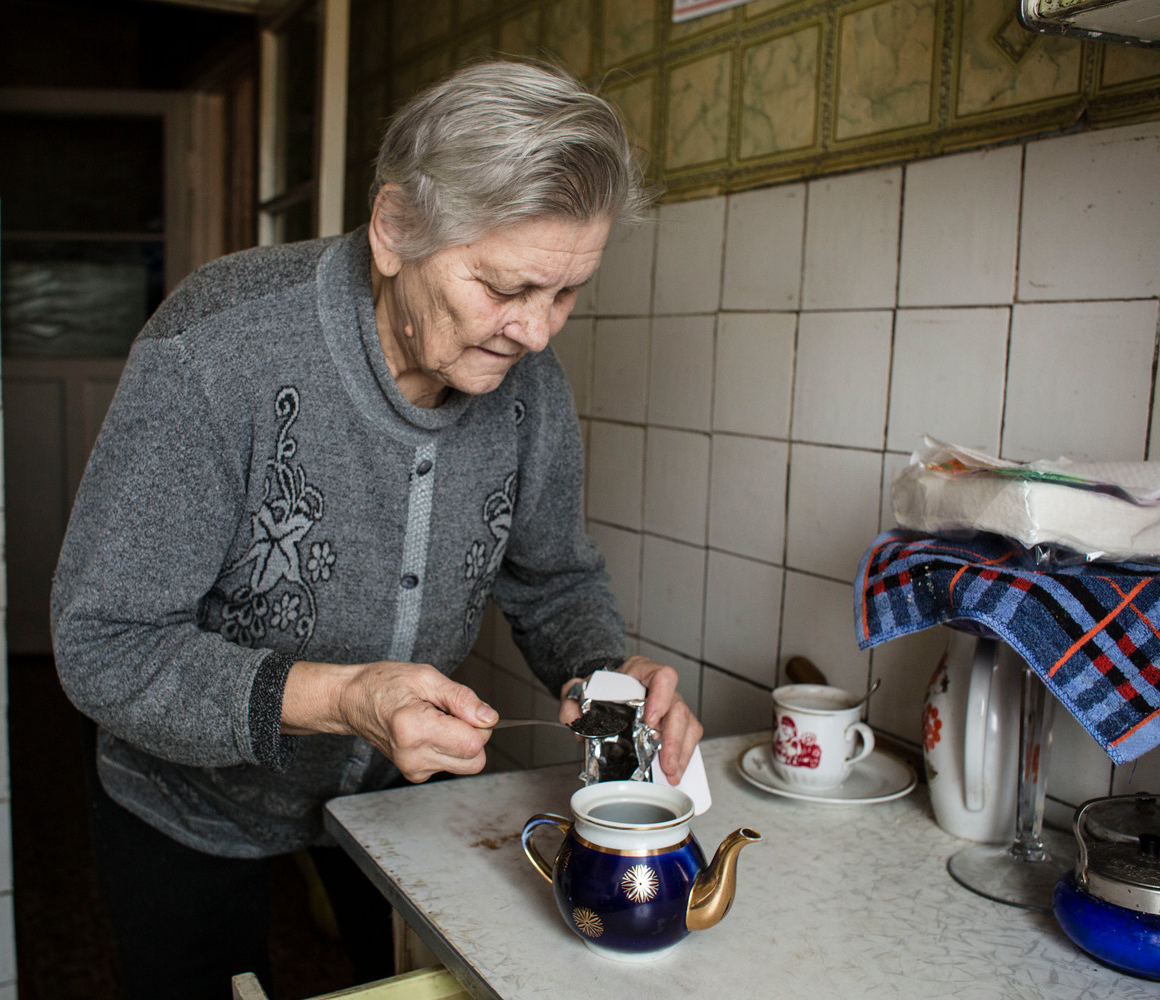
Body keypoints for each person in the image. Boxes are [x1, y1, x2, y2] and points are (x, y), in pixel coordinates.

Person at [50, 59, 705, 1000]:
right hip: (184, 801)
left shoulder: (524, 384)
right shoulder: (216, 347)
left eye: (565, 294)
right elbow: (103, 647)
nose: (536, 333)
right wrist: (344, 697)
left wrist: (607, 676)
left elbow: (552, 577)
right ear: (395, 229)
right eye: (505, 288)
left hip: (392, 804)